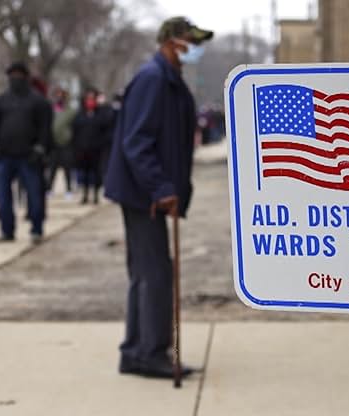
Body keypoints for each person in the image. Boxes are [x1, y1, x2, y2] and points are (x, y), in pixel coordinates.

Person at [105, 17, 212, 378]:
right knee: (154, 274)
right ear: (171, 42)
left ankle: (137, 351)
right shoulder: (153, 80)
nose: (195, 47)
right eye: (190, 41)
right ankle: (149, 352)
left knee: (147, 273)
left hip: (145, 191)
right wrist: (162, 188)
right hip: (142, 194)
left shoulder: (169, 80)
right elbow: (136, 142)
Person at [0, 62, 52, 244]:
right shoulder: (1, 101)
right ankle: (7, 230)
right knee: (3, 197)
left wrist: (40, 148)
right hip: (5, 156)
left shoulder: (37, 101)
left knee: (34, 195)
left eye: (18, 75)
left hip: (29, 156)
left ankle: (36, 229)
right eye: (12, 75)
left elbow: (45, 128)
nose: (15, 79)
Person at [70, 88, 114, 205]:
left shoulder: (102, 114)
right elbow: (74, 131)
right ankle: (84, 195)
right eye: (88, 99)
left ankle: (95, 195)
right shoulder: (79, 115)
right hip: (82, 149)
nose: (90, 102)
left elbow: (107, 130)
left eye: (92, 99)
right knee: (84, 173)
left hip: (97, 150)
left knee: (96, 173)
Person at [48, 88, 75, 198]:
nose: (59, 97)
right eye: (57, 95)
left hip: (66, 145)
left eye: (61, 95)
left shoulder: (71, 111)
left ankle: (68, 190)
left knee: (67, 168)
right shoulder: (50, 110)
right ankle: (49, 189)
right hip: (53, 144)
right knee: (52, 169)